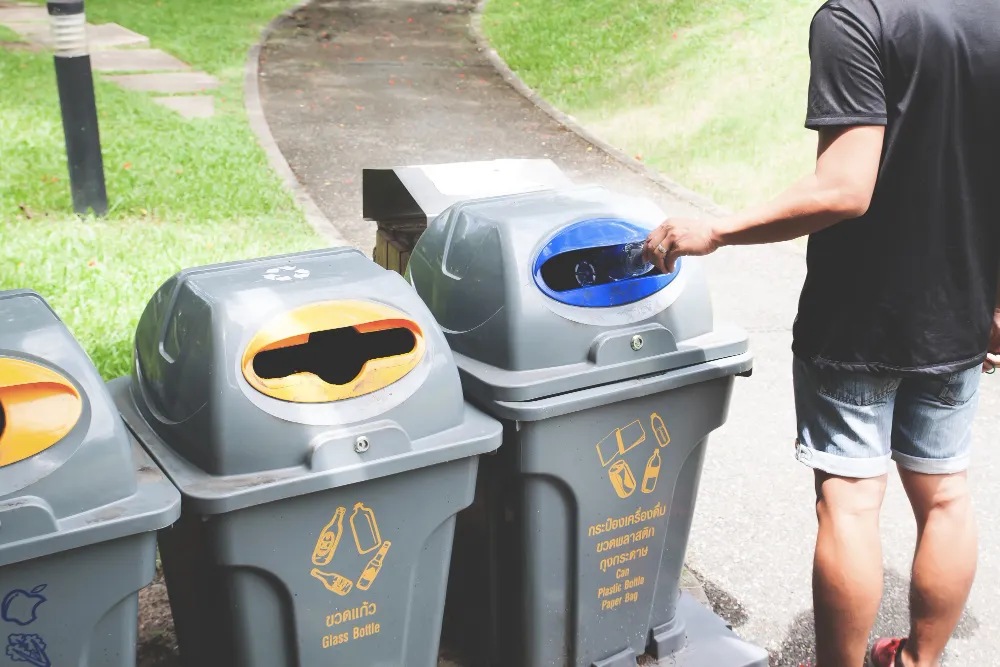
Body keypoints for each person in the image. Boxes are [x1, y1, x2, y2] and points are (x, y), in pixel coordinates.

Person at [642, 1, 1000, 666]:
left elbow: (844, 187)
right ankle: (919, 659)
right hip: (962, 306)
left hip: (860, 315)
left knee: (851, 503)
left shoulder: (856, 18)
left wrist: (718, 230)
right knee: (947, 493)